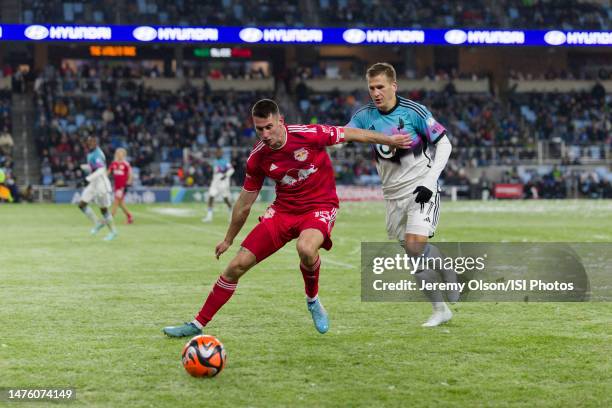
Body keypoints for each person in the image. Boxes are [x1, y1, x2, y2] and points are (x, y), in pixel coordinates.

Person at [163, 98, 412, 337]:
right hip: (283, 211)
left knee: (306, 248)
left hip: (319, 206)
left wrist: (390, 140)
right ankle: (197, 323)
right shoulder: (257, 158)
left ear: (280, 120)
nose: (265, 134)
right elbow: (244, 203)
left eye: (269, 127)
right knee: (236, 266)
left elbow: (355, 134)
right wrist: (228, 239)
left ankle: (312, 300)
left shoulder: (309, 134)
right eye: (259, 129)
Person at [346, 63, 456, 327]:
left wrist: (430, 181)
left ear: (394, 86)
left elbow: (444, 143)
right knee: (413, 254)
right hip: (392, 195)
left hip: (421, 186)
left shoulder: (414, 111)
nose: (376, 92)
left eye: (380, 86)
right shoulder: (364, 115)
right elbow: (345, 134)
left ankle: (443, 283)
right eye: (371, 88)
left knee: (414, 245)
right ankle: (441, 308)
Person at [78, 136, 117, 241]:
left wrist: (87, 178)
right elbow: (93, 167)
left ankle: (113, 232)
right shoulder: (90, 153)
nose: (90, 143)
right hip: (93, 183)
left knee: (103, 209)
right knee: (82, 204)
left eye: (93, 142)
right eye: (89, 142)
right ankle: (97, 223)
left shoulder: (98, 153)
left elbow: (101, 170)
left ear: (96, 143)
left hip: (101, 185)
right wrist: (85, 167)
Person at [202, 148, 234, 223]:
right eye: (216, 153)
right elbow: (215, 171)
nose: (217, 154)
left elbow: (232, 170)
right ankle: (209, 217)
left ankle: (231, 214)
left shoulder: (225, 162)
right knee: (210, 197)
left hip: (223, 183)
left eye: (218, 153)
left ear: (221, 154)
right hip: (215, 182)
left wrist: (225, 175)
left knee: (226, 199)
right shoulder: (215, 161)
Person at [108, 147, 133, 224]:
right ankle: (129, 217)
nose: (119, 155)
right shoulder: (114, 164)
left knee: (116, 201)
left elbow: (130, 174)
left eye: (121, 154)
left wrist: (128, 182)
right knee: (120, 203)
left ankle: (109, 218)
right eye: (118, 154)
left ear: (124, 155)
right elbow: (108, 172)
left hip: (122, 187)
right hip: (116, 186)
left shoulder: (126, 164)